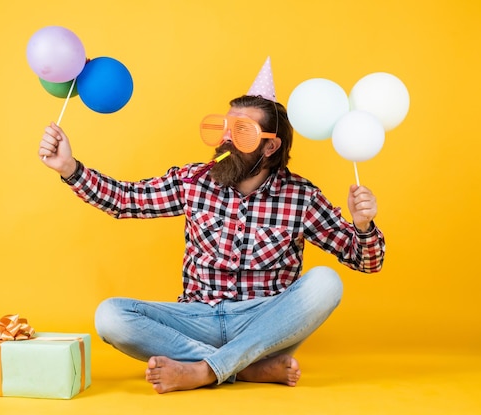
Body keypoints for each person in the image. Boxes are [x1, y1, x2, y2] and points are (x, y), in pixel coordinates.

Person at [38, 63, 385, 394]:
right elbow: (127, 200)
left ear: (270, 146)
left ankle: (204, 371)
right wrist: (69, 167)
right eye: (224, 127)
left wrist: (363, 225)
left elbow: (366, 261)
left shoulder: (301, 197)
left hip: (262, 322)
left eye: (242, 132)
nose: (225, 139)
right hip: (196, 316)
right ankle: (246, 368)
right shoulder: (193, 180)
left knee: (327, 282)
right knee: (110, 317)